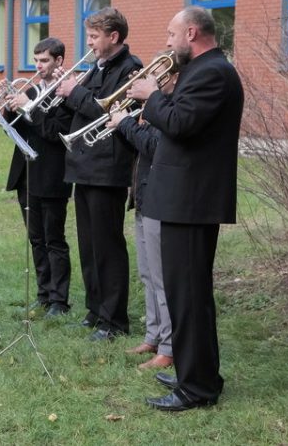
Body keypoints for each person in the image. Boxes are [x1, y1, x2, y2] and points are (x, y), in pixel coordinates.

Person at [127, 6, 243, 411]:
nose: (168, 42)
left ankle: (197, 389)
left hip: (192, 202)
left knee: (189, 297)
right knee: (186, 295)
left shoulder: (213, 72)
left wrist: (151, 95)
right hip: (182, 199)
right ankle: (198, 374)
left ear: (192, 32)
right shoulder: (202, 70)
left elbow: (180, 123)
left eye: (171, 34)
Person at [56, 7, 142, 341]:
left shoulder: (130, 69)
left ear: (114, 37)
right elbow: (81, 106)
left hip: (108, 168)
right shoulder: (97, 67)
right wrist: (64, 92)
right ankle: (95, 309)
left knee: (107, 245)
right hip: (84, 166)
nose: (89, 43)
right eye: (89, 36)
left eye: (94, 36)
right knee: (89, 244)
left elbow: (108, 113)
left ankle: (114, 319)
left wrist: (74, 93)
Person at [108, 62, 178, 370]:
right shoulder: (152, 107)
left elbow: (156, 147)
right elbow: (138, 147)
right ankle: (153, 336)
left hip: (160, 198)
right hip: (142, 195)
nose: (151, 80)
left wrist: (127, 123)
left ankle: (169, 346)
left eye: (157, 75)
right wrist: (122, 123)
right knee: (147, 274)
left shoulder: (170, 108)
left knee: (163, 278)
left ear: (171, 77)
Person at [2, 38, 73, 317]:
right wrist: (9, 106)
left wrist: (30, 108)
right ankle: (44, 294)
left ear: (59, 61)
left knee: (54, 239)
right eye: (36, 61)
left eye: (44, 60)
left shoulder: (68, 93)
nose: (38, 66)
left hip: (53, 174)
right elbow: (17, 127)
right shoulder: (31, 90)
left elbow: (56, 132)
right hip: (26, 173)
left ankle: (59, 300)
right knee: (35, 238)